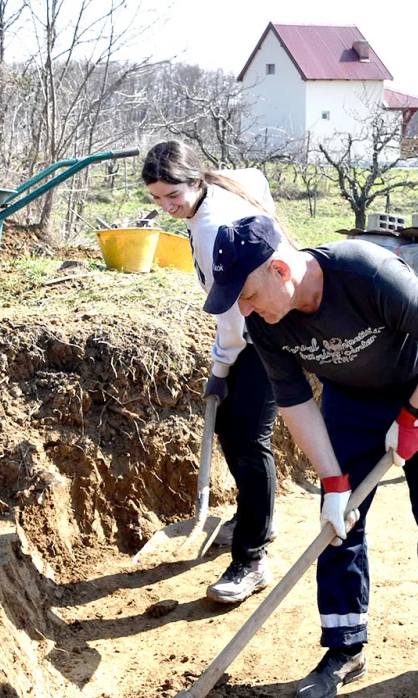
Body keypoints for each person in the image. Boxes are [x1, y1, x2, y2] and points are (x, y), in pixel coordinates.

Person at [204, 215, 418, 698]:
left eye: (246, 294)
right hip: (352, 402)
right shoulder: (264, 323)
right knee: (339, 525)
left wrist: (415, 415)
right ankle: (344, 648)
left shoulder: (367, 273)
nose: (243, 308)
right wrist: (333, 482)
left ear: (279, 270)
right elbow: (294, 403)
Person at [141, 140, 281, 604]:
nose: (165, 207)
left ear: (196, 181)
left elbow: (234, 320)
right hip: (254, 321)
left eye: (172, 197)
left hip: (267, 330)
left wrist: (220, 367)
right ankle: (255, 516)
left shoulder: (209, 227)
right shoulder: (220, 186)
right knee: (228, 427)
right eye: (155, 198)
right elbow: (257, 176)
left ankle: (252, 558)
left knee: (248, 438)